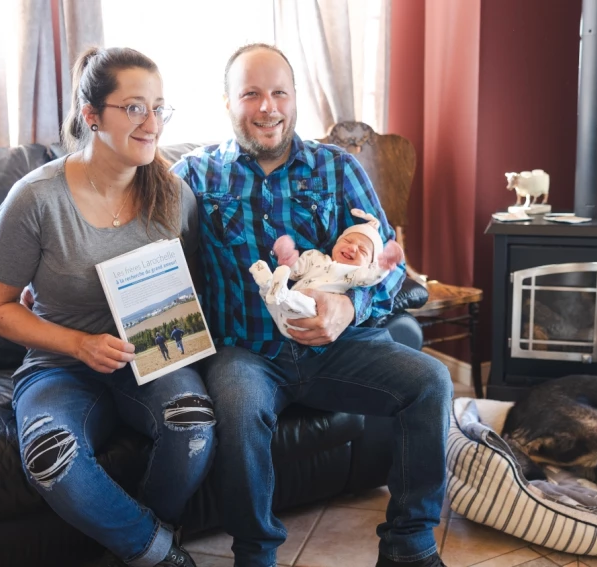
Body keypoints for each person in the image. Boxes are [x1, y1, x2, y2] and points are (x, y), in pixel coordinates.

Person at [171, 43, 452, 567]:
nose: (268, 107)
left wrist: (350, 308)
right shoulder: (194, 175)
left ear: (295, 97)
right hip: (247, 351)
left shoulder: (339, 169)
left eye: (279, 92)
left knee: (431, 383)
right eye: (251, 94)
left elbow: (388, 266)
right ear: (227, 102)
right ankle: (255, 554)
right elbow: (145, 246)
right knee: (235, 404)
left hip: (342, 348)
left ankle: (409, 545)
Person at [0, 47, 215, 567]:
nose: (151, 124)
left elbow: (192, 289)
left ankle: (137, 546)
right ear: (91, 115)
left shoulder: (175, 196)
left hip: (149, 358)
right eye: (133, 108)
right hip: (60, 365)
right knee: (48, 458)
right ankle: (159, 553)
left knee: (193, 421)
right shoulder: (36, 198)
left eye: (159, 108)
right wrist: (78, 343)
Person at [249, 208, 405, 337]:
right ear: (336, 244)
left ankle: (281, 292)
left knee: (307, 302)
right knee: (270, 299)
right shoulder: (315, 257)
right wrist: (288, 258)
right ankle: (267, 284)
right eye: (348, 241)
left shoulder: (355, 274)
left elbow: (372, 277)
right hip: (281, 317)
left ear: (369, 264)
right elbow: (294, 272)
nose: (352, 248)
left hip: (310, 318)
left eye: (363, 250)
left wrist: (385, 265)